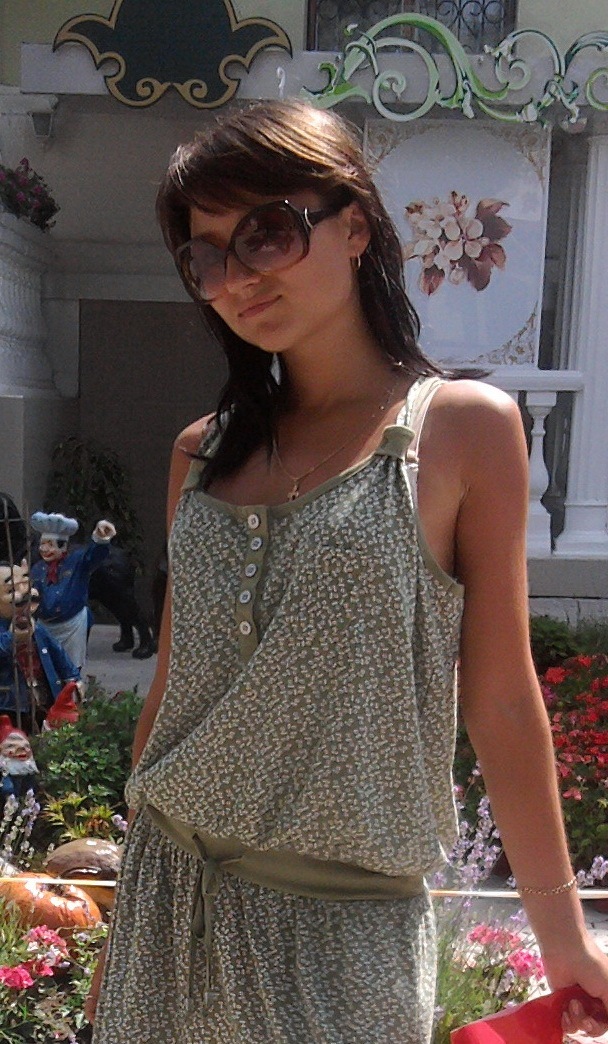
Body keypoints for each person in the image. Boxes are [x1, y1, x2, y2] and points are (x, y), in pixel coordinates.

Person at [87, 100, 608, 1043]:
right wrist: (124, 928)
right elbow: (173, 689)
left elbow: (499, 699)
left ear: (356, 225)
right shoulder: (201, 453)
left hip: (344, 941)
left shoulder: (462, 431)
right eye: (206, 257)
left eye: (266, 233)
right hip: (167, 913)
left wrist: (564, 937)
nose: (237, 278)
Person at [30, 512, 117, 674]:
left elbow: (93, 556)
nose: (44, 549)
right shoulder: (37, 568)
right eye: (42, 544)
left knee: (71, 666)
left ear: (62, 546)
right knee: (45, 665)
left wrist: (100, 539)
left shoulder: (77, 561)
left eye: (50, 544)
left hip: (72, 624)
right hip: (45, 625)